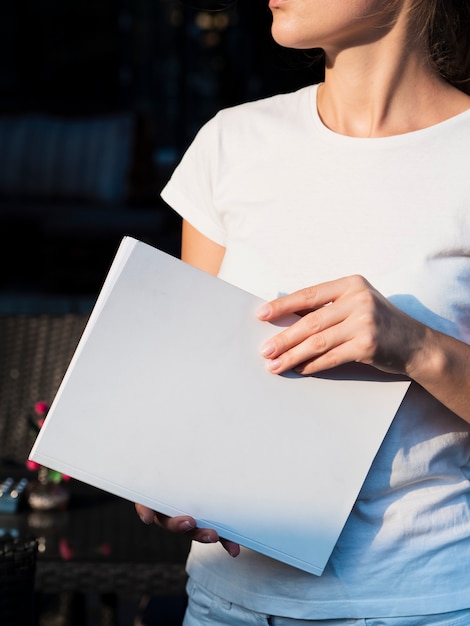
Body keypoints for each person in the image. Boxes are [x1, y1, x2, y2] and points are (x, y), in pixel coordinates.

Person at [136, 1, 470, 623]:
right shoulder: (231, 142)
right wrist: (167, 473)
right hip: (225, 604)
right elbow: (194, 383)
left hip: (419, 604)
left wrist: (417, 346)